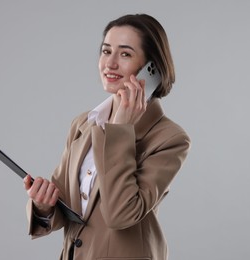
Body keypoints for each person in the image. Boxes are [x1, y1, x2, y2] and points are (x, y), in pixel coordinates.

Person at [24, 13, 191, 260]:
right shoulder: (84, 123)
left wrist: (120, 129)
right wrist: (43, 206)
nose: (109, 64)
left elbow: (121, 214)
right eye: (105, 51)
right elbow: (69, 204)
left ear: (151, 68)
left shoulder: (169, 138)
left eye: (125, 54)